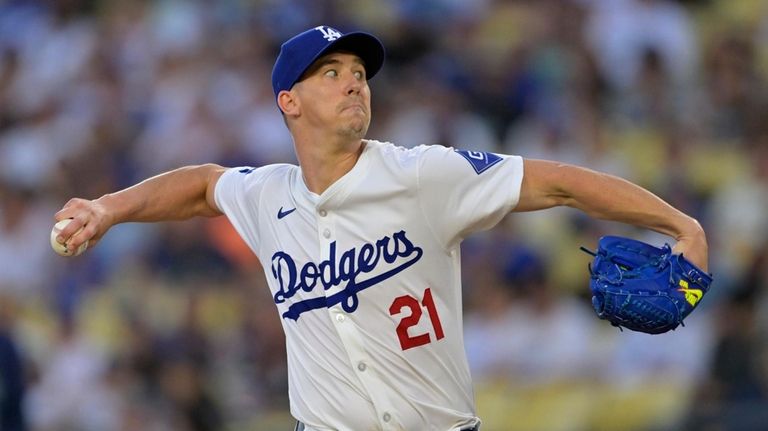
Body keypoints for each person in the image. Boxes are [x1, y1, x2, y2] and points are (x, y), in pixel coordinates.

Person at [53, 25, 708, 431]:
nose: (353, 84)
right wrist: (110, 207)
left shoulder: (424, 174)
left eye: (359, 74)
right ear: (289, 102)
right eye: (331, 73)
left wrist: (678, 221)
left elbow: (560, 181)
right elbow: (201, 184)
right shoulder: (268, 195)